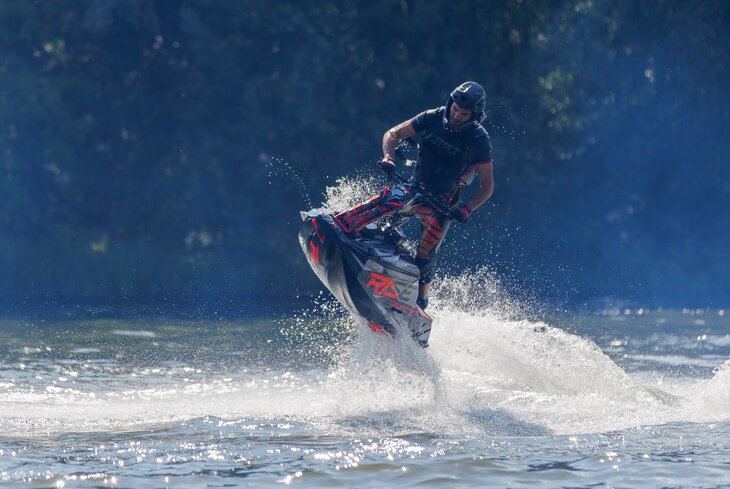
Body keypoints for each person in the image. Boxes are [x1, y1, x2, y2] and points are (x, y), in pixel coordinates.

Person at [334, 81, 494, 310]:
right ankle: (342, 225)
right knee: (390, 203)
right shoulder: (433, 117)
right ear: (450, 103)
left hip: (443, 206)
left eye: (464, 113)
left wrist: (467, 208)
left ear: (474, 116)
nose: (457, 115)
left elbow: (487, 187)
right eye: (455, 109)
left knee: (425, 258)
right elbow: (393, 133)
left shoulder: (479, 140)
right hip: (415, 188)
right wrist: (389, 157)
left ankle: (419, 304)